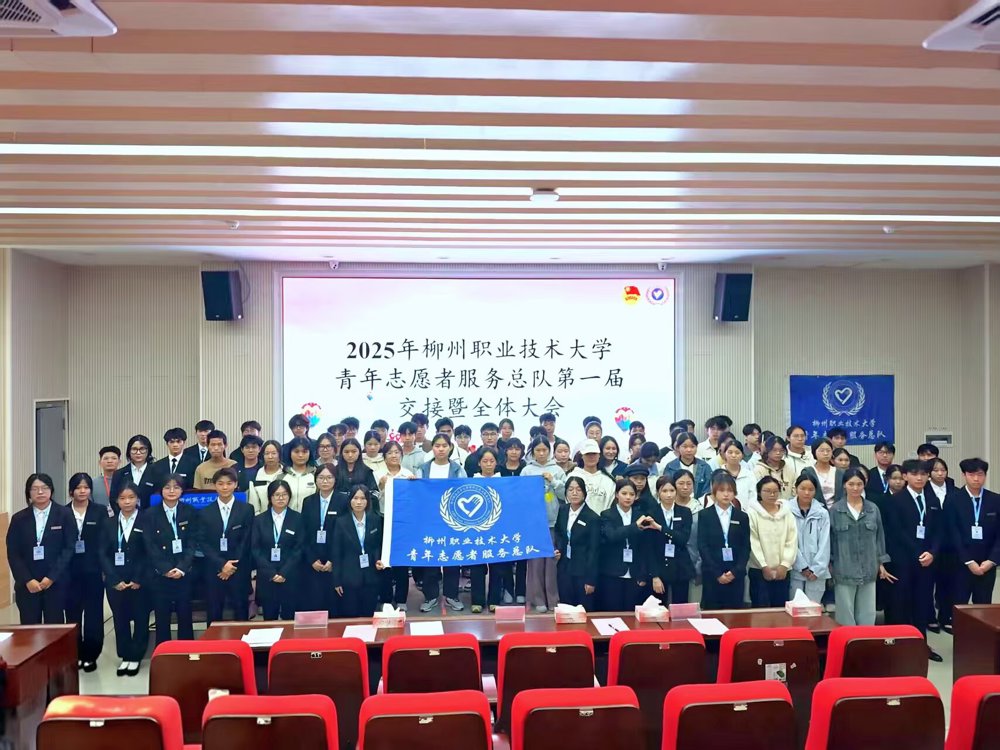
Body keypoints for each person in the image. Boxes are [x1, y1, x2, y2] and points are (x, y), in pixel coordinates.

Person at [883, 459, 943, 662]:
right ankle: (899, 649)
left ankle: (921, 645)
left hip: (927, 562)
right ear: (905, 476)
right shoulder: (895, 500)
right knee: (901, 605)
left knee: (922, 604)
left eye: (923, 474)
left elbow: (939, 531)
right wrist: (919, 552)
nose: (919, 478)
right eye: (915, 474)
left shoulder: (933, 500)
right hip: (903, 561)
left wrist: (932, 552)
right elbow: (896, 532)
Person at [829, 467, 894, 626]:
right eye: (851, 484)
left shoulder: (872, 509)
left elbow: (879, 537)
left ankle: (865, 640)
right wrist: (830, 564)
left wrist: (881, 563)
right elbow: (830, 540)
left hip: (869, 567)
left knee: (867, 613)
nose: (855, 488)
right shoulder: (836, 510)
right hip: (844, 568)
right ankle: (847, 640)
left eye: (859, 484)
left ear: (864, 485)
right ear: (844, 485)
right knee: (845, 614)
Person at [7, 473, 74, 625]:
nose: (40, 492)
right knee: (30, 628)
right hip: (28, 585)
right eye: (35, 489)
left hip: (56, 582)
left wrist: (51, 577)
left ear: (51, 490)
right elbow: (13, 553)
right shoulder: (19, 519)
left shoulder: (64, 514)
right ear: (28, 492)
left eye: (45, 488)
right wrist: (27, 580)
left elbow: (69, 548)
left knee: (54, 627)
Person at [100, 482, 149, 677]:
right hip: (116, 580)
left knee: (141, 618)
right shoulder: (108, 523)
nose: (127, 501)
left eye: (131, 497)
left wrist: (138, 578)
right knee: (120, 619)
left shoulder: (147, 520)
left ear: (137, 499)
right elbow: (102, 553)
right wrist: (113, 579)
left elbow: (149, 552)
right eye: (122, 498)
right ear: (116, 500)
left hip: (140, 581)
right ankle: (125, 655)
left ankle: (136, 656)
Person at [143, 474, 196, 644]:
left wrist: (181, 567)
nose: (172, 491)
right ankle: (163, 652)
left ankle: (186, 651)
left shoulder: (190, 512)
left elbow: (193, 543)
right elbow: (149, 545)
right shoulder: (150, 514)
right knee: (162, 617)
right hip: (160, 574)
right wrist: (165, 569)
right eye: (167, 487)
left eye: (176, 487)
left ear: (182, 490)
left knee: (185, 615)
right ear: (160, 490)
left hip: (184, 573)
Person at [418, 433, 468, 612]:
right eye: (437, 446)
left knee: (452, 560)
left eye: (444, 446)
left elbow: (464, 491)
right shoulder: (423, 469)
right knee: (430, 560)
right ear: (432, 448)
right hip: (429, 521)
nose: (440, 449)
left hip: (452, 521)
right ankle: (430, 596)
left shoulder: (457, 469)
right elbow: (417, 493)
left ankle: (451, 595)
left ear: (450, 448)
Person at [198, 467, 254, 624]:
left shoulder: (246, 509)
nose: (225, 487)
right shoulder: (204, 512)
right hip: (215, 570)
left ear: (235, 485)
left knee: (241, 611)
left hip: (238, 569)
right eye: (220, 483)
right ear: (214, 485)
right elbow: (202, 542)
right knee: (214, 612)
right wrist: (222, 564)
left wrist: (231, 565)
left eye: (229, 483)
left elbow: (246, 540)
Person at [947, 458, 1000, 622]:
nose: (976, 479)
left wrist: (992, 560)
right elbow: (952, 532)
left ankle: (983, 637)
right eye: (971, 474)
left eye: (980, 474)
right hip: (961, 562)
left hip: (987, 563)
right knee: (959, 604)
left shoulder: (995, 500)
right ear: (964, 475)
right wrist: (968, 561)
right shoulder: (953, 499)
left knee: (984, 605)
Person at [64, 473, 107, 671]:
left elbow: (105, 542)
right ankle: (75, 653)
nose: (82, 491)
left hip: (94, 571)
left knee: (93, 614)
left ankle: (90, 655)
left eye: (86, 487)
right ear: (71, 490)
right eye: (78, 487)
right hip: (69, 572)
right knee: (72, 614)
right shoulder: (63, 512)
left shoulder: (100, 511)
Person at [523, 436, 567, 613]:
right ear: (532, 452)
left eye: (544, 450)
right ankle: (538, 599)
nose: (541, 453)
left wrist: (553, 481)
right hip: (534, 524)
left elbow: (565, 495)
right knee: (535, 563)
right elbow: (521, 496)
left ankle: (553, 599)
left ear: (549, 451)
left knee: (551, 562)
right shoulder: (527, 470)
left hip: (553, 522)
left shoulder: (557, 470)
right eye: (538, 450)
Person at [252, 479, 303, 621]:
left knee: (290, 619)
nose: (281, 498)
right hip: (267, 577)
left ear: (289, 496)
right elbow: (255, 549)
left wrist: (284, 572)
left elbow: (299, 548)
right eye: (276, 495)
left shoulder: (298, 518)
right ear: (270, 497)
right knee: (269, 618)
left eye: (284, 494)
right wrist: (272, 573)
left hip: (290, 576)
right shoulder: (259, 520)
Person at [698, 473, 750, 610]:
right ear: (714, 492)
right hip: (712, 574)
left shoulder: (742, 516)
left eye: (730, 491)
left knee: (735, 614)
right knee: (712, 614)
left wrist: (735, 571)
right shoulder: (705, 515)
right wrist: (717, 573)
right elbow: (703, 546)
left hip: (735, 574)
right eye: (722, 490)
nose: (726, 494)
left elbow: (745, 547)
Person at [333, 485, 386, 617]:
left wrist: (378, 559)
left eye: (363, 498)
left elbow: (378, 545)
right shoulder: (341, 522)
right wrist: (337, 581)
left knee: (368, 614)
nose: (358, 502)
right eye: (355, 498)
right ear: (349, 500)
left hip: (371, 575)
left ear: (368, 501)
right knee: (350, 614)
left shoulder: (375, 519)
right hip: (349, 577)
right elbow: (337, 552)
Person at [598, 479, 649, 611]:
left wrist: (643, 574)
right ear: (616, 494)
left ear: (636, 496)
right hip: (612, 572)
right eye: (624, 493)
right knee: (613, 611)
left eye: (632, 494)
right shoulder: (607, 515)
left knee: (631, 612)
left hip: (634, 572)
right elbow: (612, 535)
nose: (628, 497)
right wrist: (635, 526)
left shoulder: (640, 516)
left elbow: (644, 548)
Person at [643, 475, 694, 605]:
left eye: (672, 490)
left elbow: (682, 539)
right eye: (664, 491)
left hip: (680, 567)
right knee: (658, 608)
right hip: (659, 567)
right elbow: (648, 548)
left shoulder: (685, 512)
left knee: (680, 608)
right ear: (658, 493)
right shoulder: (650, 513)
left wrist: (660, 528)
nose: (669, 495)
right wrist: (654, 576)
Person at [747, 476, 798, 607]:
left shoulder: (787, 513)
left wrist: (785, 564)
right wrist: (764, 566)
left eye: (775, 491)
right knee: (760, 609)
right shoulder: (752, 513)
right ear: (759, 492)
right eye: (767, 491)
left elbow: (791, 540)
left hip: (783, 571)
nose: (772, 495)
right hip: (759, 570)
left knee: (780, 609)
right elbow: (753, 542)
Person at [299, 463, 340, 616]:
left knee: (333, 605)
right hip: (313, 558)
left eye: (329, 477)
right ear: (316, 479)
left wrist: (332, 560)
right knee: (314, 602)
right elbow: (303, 533)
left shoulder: (343, 500)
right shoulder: (308, 501)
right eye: (321, 477)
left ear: (335, 479)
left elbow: (344, 534)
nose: (325, 481)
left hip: (334, 559)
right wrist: (311, 559)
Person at [554, 476, 600, 610]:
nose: (574, 493)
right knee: (565, 608)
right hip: (564, 568)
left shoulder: (592, 518)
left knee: (582, 610)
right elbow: (559, 532)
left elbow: (594, 550)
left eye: (578, 490)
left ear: (584, 492)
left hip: (583, 571)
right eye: (570, 489)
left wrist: (591, 580)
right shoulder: (563, 510)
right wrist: (558, 549)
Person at [379, 441, 415, 608]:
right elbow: (371, 499)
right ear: (384, 456)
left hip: (403, 523)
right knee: (384, 561)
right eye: (390, 453)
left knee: (401, 561)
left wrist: (414, 484)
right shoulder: (378, 474)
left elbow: (414, 500)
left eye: (396, 452)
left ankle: (401, 599)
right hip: (382, 520)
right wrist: (381, 485)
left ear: (401, 454)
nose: (393, 455)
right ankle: (386, 599)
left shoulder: (407, 474)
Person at [470, 447, 504, 613]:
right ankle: (477, 601)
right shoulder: (472, 481)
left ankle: (494, 600)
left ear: (496, 463)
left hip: (497, 530)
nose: (488, 464)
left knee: (497, 567)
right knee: (476, 565)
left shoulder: (503, 482)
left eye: (492, 461)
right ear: (479, 463)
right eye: (485, 461)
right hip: (476, 530)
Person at [789, 475, 831, 604]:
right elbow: (789, 541)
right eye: (803, 488)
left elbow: (825, 543)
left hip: (817, 572)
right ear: (796, 488)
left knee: (813, 609)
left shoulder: (822, 513)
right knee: (795, 608)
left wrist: (817, 569)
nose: (806, 493)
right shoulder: (787, 510)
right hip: (795, 568)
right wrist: (802, 566)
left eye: (811, 489)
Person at [927, 457, 955, 633]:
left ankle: (946, 617)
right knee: (928, 583)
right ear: (929, 473)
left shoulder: (954, 490)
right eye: (936, 470)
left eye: (943, 470)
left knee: (948, 583)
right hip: (930, 544)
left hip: (950, 545)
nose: (940, 473)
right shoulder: (924, 490)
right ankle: (930, 617)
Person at [334, 438, 379, 514]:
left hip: (362, 512)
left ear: (359, 452)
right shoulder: (335, 471)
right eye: (346, 452)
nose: (350, 455)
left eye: (354, 451)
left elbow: (375, 493)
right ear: (341, 453)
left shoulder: (367, 471)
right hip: (340, 510)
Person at [111, 434, 157, 508]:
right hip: (125, 514)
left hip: (151, 514)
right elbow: (113, 499)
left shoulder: (157, 472)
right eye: (134, 449)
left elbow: (159, 499)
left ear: (148, 450)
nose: (138, 453)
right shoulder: (119, 473)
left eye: (142, 449)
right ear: (129, 451)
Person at [663, 432, 712, 498]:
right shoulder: (670, 467)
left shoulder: (705, 466)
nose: (689, 450)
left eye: (692, 446)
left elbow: (708, 489)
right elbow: (667, 488)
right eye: (685, 446)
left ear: (697, 447)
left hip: (699, 503)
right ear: (678, 448)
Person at [801, 438, 844, 509]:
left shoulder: (840, 473)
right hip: (815, 511)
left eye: (828, 450)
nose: (825, 453)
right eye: (822, 450)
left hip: (838, 511)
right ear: (814, 452)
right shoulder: (808, 472)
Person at [753, 436, 797, 501]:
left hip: (787, 505)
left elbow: (795, 490)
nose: (778, 453)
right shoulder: (759, 470)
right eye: (774, 450)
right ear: (767, 450)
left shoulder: (789, 469)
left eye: (781, 450)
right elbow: (756, 493)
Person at [248, 440, 285, 514]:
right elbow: (254, 506)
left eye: (274, 453)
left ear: (279, 455)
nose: (270, 457)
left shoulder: (287, 473)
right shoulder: (256, 476)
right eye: (267, 453)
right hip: (263, 517)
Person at [717, 438, 755, 508]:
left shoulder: (749, 475)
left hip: (746, 512)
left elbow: (753, 498)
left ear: (742, 455)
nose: (733, 455)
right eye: (730, 452)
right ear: (724, 454)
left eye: (737, 453)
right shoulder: (718, 474)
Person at [283, 436, 317, 512]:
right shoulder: (281, 476)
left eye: (304, 452)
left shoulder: (316, 474)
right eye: (296, 451)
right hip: (288, 517)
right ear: (290, 453)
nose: (300, 455)